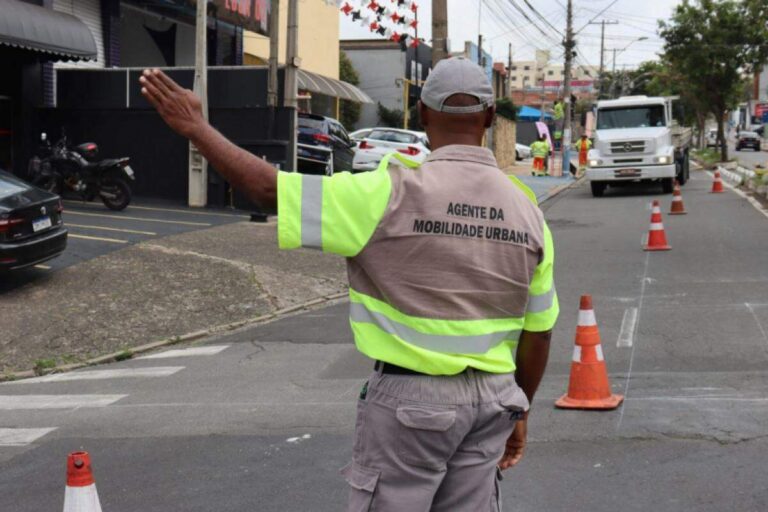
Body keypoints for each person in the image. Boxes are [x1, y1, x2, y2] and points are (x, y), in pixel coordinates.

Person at [139, 57, 557, 512]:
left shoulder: (387, 190)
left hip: (412, 404)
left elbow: (266, 189)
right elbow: (539, 331)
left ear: (421, 113)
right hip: (495, 401)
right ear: (491, 117)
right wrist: (521, 408)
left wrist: (197, 128)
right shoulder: (527, 210)